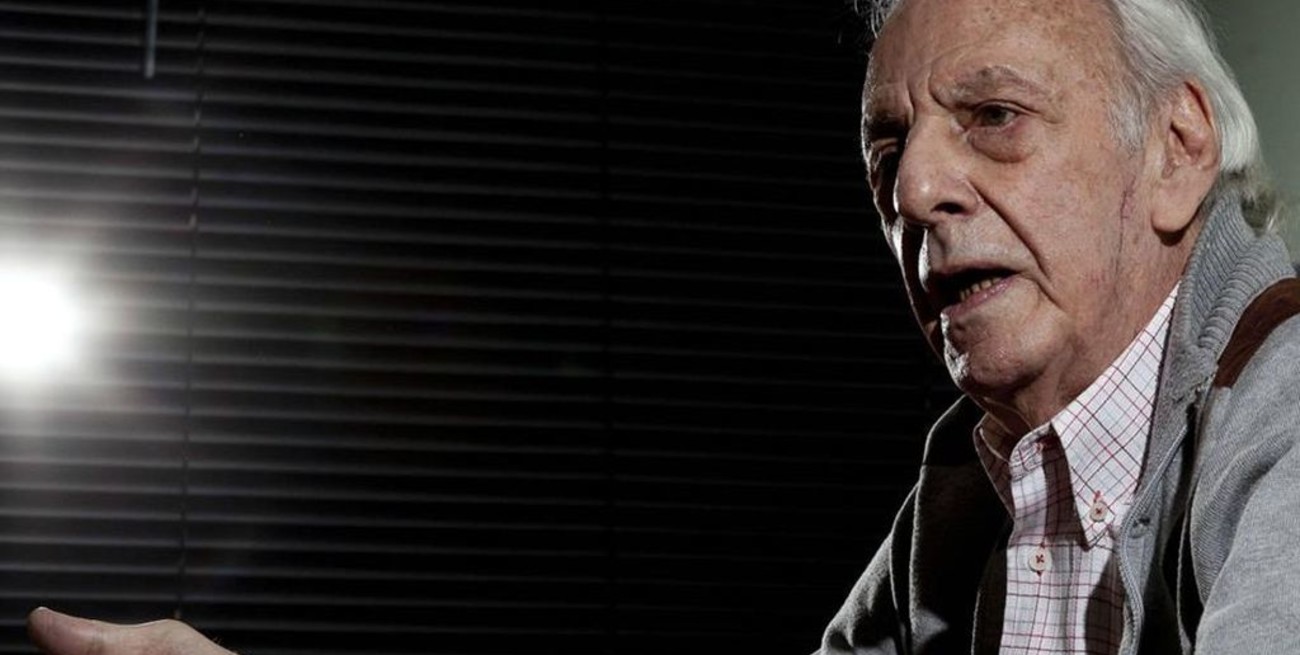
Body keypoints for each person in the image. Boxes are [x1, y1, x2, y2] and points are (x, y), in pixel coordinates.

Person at [22, 0, 1300, 654]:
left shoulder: (1286, 417)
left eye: (995, 117)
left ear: (1176, 148)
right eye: (886, 151)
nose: (914, 190)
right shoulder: (967, 504)